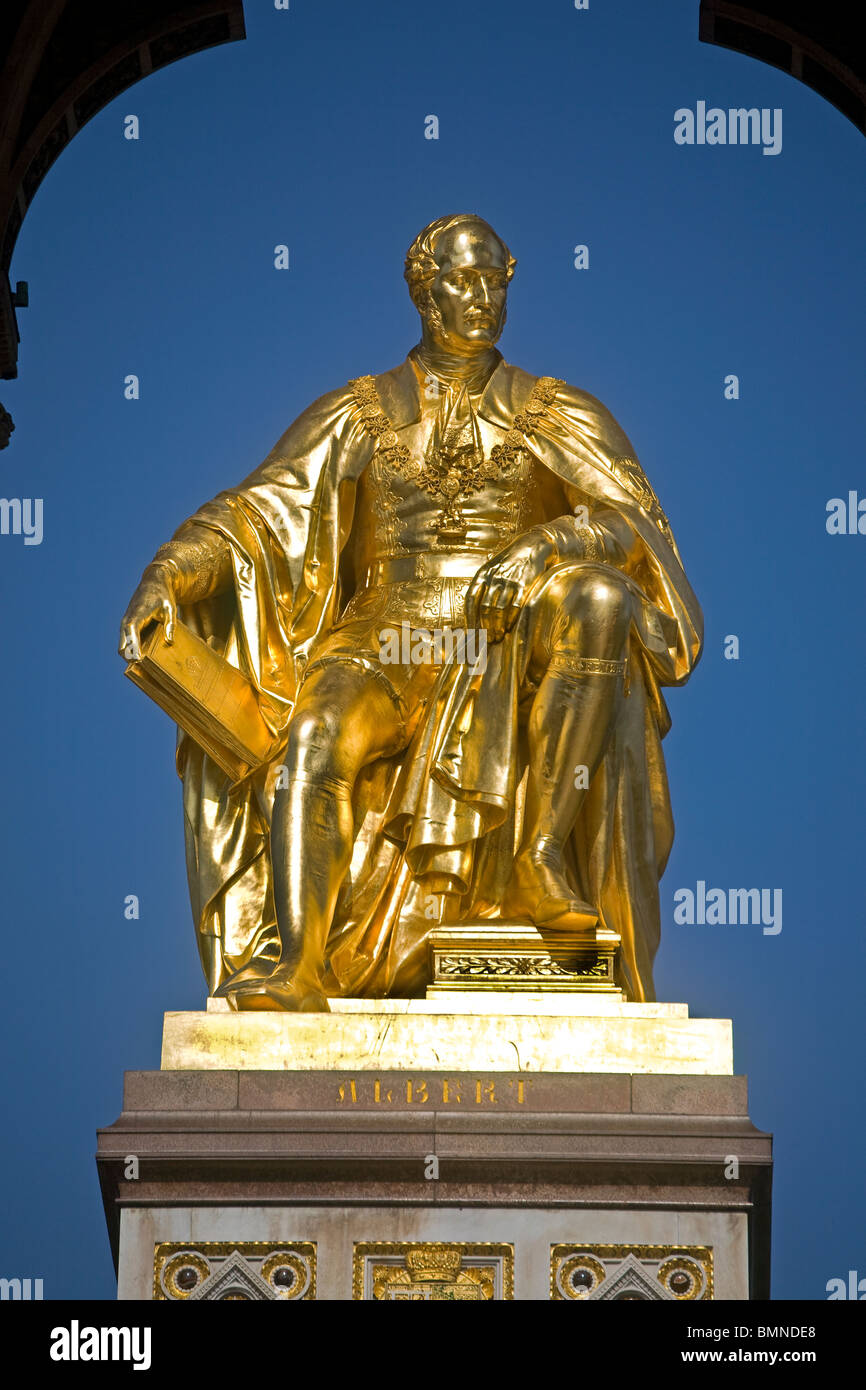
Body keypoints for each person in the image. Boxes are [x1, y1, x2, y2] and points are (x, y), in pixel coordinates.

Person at [119, 213, 702, 1010]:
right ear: (424, 291)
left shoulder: (559, 412)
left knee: (599, 596)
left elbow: (637, 529)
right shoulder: (355, 413)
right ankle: (299, 963)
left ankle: (537, 854)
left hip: (504, 640)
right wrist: (168, 575)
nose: (485, 297)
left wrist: (549, 544)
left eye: (497, 279)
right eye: (464, 279)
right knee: (315, 736)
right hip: (383, 639)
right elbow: (254, 514)